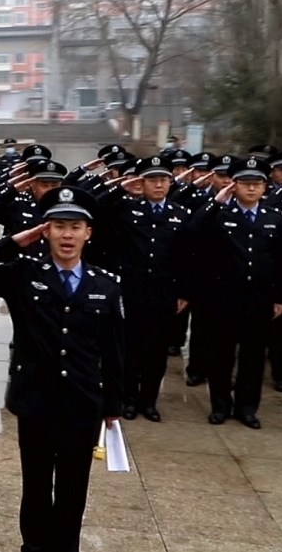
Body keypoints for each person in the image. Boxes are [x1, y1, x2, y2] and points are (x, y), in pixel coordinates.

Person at [0, 185, 124, 552]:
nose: (67, 235)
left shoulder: (106, 285)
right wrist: (16, 240)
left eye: (76, 226)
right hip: (35, 400)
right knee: (35, 485)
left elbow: (114, 351)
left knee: (72, 487)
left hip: (83, 401)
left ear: (88, 233)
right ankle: (33, 548)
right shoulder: (23, 274)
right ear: (46, 230)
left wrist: (113, 406)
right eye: (59, 225)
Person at [187, 158, 282, 429]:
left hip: (259, 299)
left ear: (265, 188)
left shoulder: (274, 218)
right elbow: (193, 229)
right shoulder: (219, 214)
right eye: (245, 184)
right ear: (234, 186)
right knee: (221, 356)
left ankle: (247, 408)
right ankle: (220, 406)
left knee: (253, 358)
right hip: (224, 298)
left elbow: (280, 261)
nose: (251, 189)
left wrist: (280, 297)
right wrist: (218, 200)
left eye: (257, 184)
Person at [97, 156, 190, 422]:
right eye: (152, 180)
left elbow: (185, 257)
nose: (158, 185)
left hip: (163, 293)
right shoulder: (125, 209)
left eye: (163, 179)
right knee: (130, 350)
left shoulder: (179, 214)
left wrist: (183, 292)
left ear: (171, 183)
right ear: (142, 182)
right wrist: (121, 187)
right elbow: (97, 209)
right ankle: (127, 398)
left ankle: (149, 401)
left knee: (156, 352)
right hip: (131, 291)